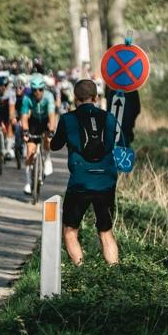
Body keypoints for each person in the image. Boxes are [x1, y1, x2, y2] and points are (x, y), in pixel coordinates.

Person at [50, 78, 120, 265]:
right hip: (106, 182)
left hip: (80, 183)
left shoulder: (68, 119)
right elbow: (115, 143)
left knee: (70, 231)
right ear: (95, 98)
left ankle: (81, 272)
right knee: (105, 231)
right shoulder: (109, 118)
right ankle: (114, 273)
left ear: (75, 98)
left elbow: (55, 145)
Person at [19, 74, 58, 195]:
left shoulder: (49, 97)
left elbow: (52, 116)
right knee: (29, 152)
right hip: (34, 122)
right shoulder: (27, 98)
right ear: (31, 89)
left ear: (43, 89)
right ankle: (28, 183)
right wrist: (25, 131)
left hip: (45, 121)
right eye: (35, 90)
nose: (37, 92)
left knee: (48, 139)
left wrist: (51, 131)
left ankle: (47, 159)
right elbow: (24, 116)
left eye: (40, 89)